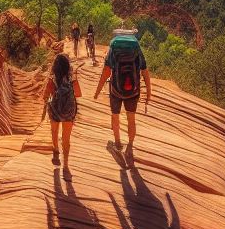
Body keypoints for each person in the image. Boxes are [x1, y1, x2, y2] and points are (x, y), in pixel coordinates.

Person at [93, 29, 150, 168]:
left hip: (116, 90)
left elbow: (107, 71)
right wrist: (149, 91)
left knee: (115, 116)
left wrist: (98, 90)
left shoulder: (113, 46)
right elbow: (144, 70)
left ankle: (118, 143)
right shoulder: (136, 46)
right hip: (133, 91)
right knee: (131, 119)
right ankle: (130, 146)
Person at [43, 52, 81, 180]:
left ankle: (55, 150)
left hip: (55, 110)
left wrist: (54, 94)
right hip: (69, 112)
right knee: (66, 138)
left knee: (54, 130)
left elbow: (45, 96)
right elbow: (79, 94)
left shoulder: (52, 79)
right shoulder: (72, 79)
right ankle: (66, 165)